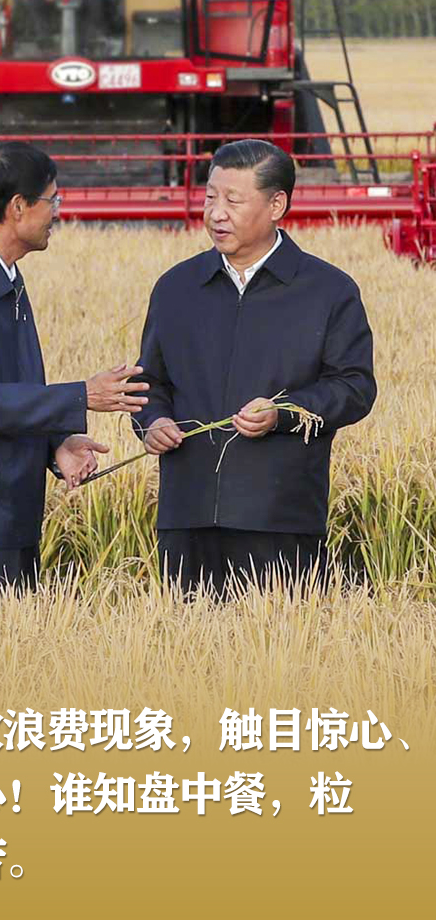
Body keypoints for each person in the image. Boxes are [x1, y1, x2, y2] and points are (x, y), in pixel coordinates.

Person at [133, 138, 376, 596]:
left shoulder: (327, 290)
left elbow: (354, 387)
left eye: (233, 200)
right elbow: (150, 382)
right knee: (182, 637)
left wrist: (283, 413)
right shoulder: (176, 287)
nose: (216, 213)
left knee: (278, 639)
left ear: (276, 205)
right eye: (210, 196)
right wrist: (152, 421)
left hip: (280, 517)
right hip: (187, 516)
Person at [0, 140, 147, 597]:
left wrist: (55, 445)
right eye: (52, 199)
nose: (58, 211)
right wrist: (82, 396)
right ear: (18, 207)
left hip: (7, 508)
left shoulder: (2, 275)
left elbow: (9, 388)